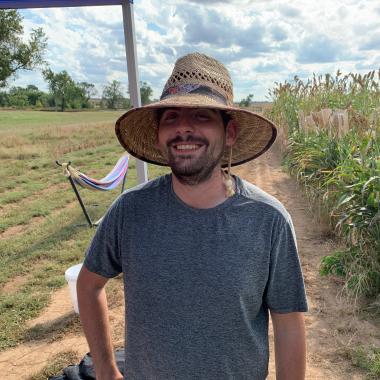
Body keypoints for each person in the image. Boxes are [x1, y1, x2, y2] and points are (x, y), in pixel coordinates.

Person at [77, 52, 308, 380]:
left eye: (201, 116)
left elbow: (288, 323)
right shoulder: (129, 212)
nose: (183, 128)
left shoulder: (268, 221)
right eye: (171, 117)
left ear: (229, 133)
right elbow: (88, 285)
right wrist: (104, 369)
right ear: (159, 135)